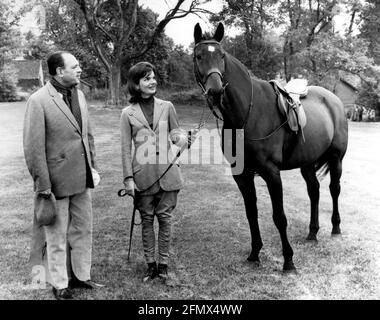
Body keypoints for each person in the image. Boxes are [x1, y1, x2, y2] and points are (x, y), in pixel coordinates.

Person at [23, 51, 101, 300]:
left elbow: (87, 135)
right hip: (55, 182)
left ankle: (80, 276)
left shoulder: (79, 94)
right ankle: (59, 283)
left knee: (82, 229)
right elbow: (33, 149)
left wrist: (93, 167)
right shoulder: (38, 101)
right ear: (59, 71)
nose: (80, 70)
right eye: (75, 66)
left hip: (83, 178)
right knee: (56, 236)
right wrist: (43, 186)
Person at [120, 62, 189, 282]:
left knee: (166, 220)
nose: (152, 82)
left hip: (168, 174)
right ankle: (151, 265)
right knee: (147, 221)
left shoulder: (167, 106)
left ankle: (164, 266)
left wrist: (183, 139)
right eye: (146, 79)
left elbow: (176, 134)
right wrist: (128, 179)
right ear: (136, 84)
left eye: (153, 77)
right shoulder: (127, 113)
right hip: (143, 177)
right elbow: (124, 148)